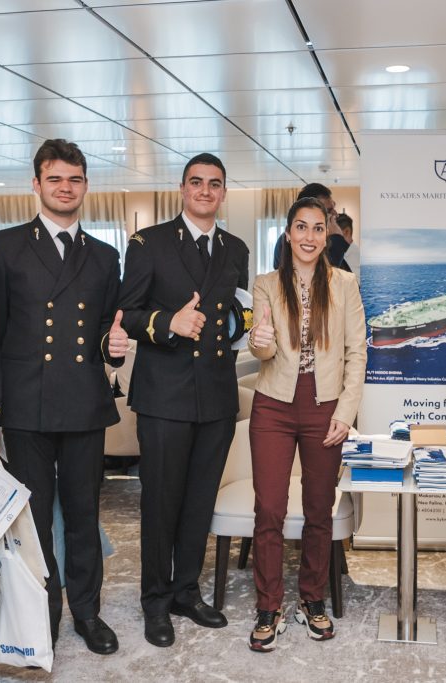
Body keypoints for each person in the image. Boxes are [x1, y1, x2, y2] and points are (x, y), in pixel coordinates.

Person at [0, 139, 129, 655]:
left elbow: (106, 331)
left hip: (85, 404)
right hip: (26, 407)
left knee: (85, 515)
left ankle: (87, 612)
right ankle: (40, 613)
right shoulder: (2, 248)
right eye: (55, 179)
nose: (65, 188)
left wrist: (114, 348)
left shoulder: (105, 256)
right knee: (35, 518)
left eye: (74, 179)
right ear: (36, 184)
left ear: (86, 185)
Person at [119, 153, 250, 647]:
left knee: (199, 502)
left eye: (214, 184)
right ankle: (155, 600)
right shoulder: (148, 243)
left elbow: (236, 315)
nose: (205, 191)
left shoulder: (236, 249)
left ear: (223, 193)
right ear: (182, 188)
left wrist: (250, 332)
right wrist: (168, 323)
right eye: (196, 182)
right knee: (161, 503)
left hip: (216, 396)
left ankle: (186, 591)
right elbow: (127, 313)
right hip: (163, 397)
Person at [245, 197, 366, 652]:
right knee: (269, 510)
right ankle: (269, 605)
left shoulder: (345, 284)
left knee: (319, 508)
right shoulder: (265, 284)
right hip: (273, 407)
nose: (309, 236)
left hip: (325, 407)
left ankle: (312, 599)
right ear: (288, 233)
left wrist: (345, 413)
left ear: (326, 235)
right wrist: (259, 339)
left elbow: (357, 352)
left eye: (318, 228)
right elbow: (262, 351)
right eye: (301, 227)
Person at [271, 183, 350, 271]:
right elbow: (324, 273)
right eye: (329, 210)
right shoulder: (287, 241)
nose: (335, 214)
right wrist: (337, 238)